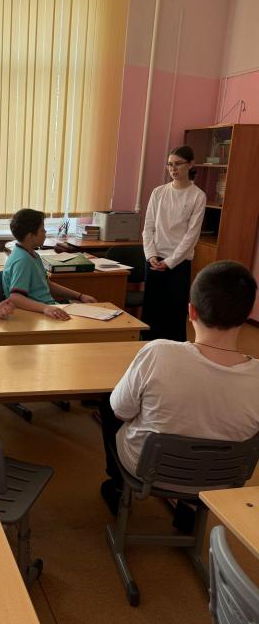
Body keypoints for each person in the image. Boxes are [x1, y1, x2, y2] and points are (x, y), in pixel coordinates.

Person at [99, 260, 259, 519]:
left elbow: (120, 411)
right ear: (248, 312)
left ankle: (117, 485)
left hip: (149, 469)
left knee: (110, 403)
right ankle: (191, 507)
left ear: (191, 311)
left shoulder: (158, 352)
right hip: (221, 479)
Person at [142, 145, 206, 341]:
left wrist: (169, 262)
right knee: (151, 311)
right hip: (154, 261)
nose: (173, 169)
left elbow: (191, 236)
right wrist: (151, 255)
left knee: (174, 312)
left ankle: (174, 350)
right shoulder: (158, 192)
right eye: (170, 164)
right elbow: (148, 228)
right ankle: (147, 347)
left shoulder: (197, 196)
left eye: (178, 164)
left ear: (191, 164)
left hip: (179, 263)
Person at [2, 208, 96, 320]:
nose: (45, 232)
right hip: (37, 315)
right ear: (30, 236)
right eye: (42, 230)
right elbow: (15, 298)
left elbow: (47, 285)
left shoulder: (32, 254)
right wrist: (45, 308)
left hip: (47, 309)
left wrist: (80, 296)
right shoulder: (23, 260)